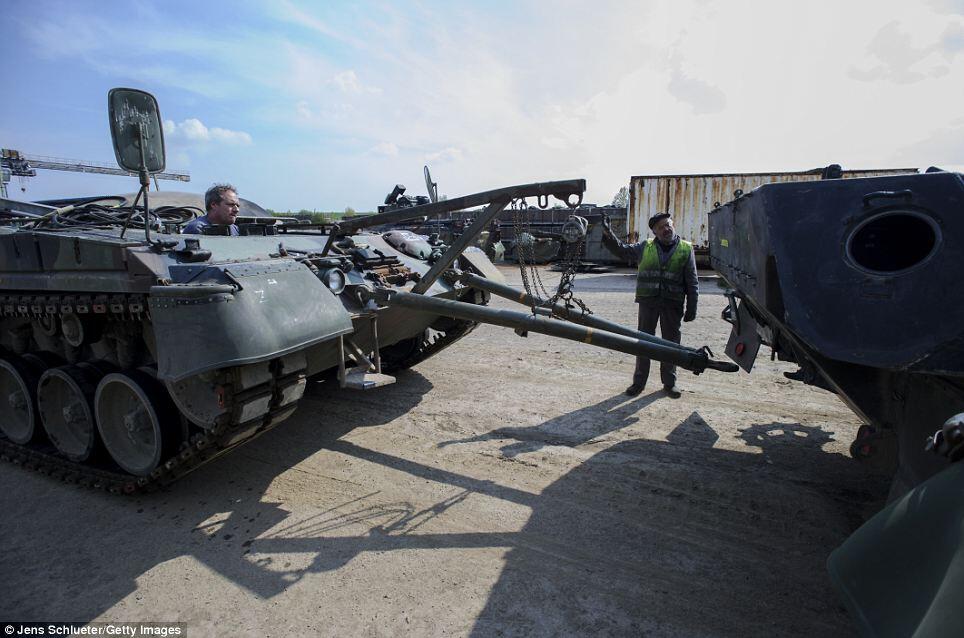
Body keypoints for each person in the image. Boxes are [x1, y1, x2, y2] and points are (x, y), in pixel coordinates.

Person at [601, 212, 698, 398]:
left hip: (673, 304)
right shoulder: (645, 246)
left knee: (671, 344)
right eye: (661, 227)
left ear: (673, 225)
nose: (666, 229)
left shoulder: (686, 248)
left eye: (668, 224)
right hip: (649, 303)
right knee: (643, 343)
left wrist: (692, 307)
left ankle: (669, 383)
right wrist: (608, 234)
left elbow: (692, 281)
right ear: (654, 231)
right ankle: (638, 383)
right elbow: (622, 251)